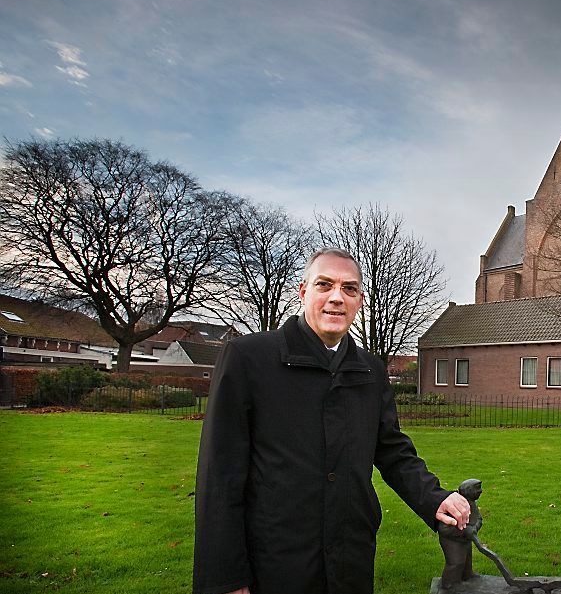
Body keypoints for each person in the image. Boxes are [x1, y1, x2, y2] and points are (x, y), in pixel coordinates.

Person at [193, 247, 470, 594]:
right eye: (325, 285)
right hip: (275, 560)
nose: (337, 298)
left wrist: (435, 499)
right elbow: (220, 475)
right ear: (303, 291)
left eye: (349, 289)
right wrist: (225, 579)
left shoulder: (370, 370)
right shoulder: (248, 359)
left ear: (360, 301)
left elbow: (392, 451)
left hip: (350, 557)